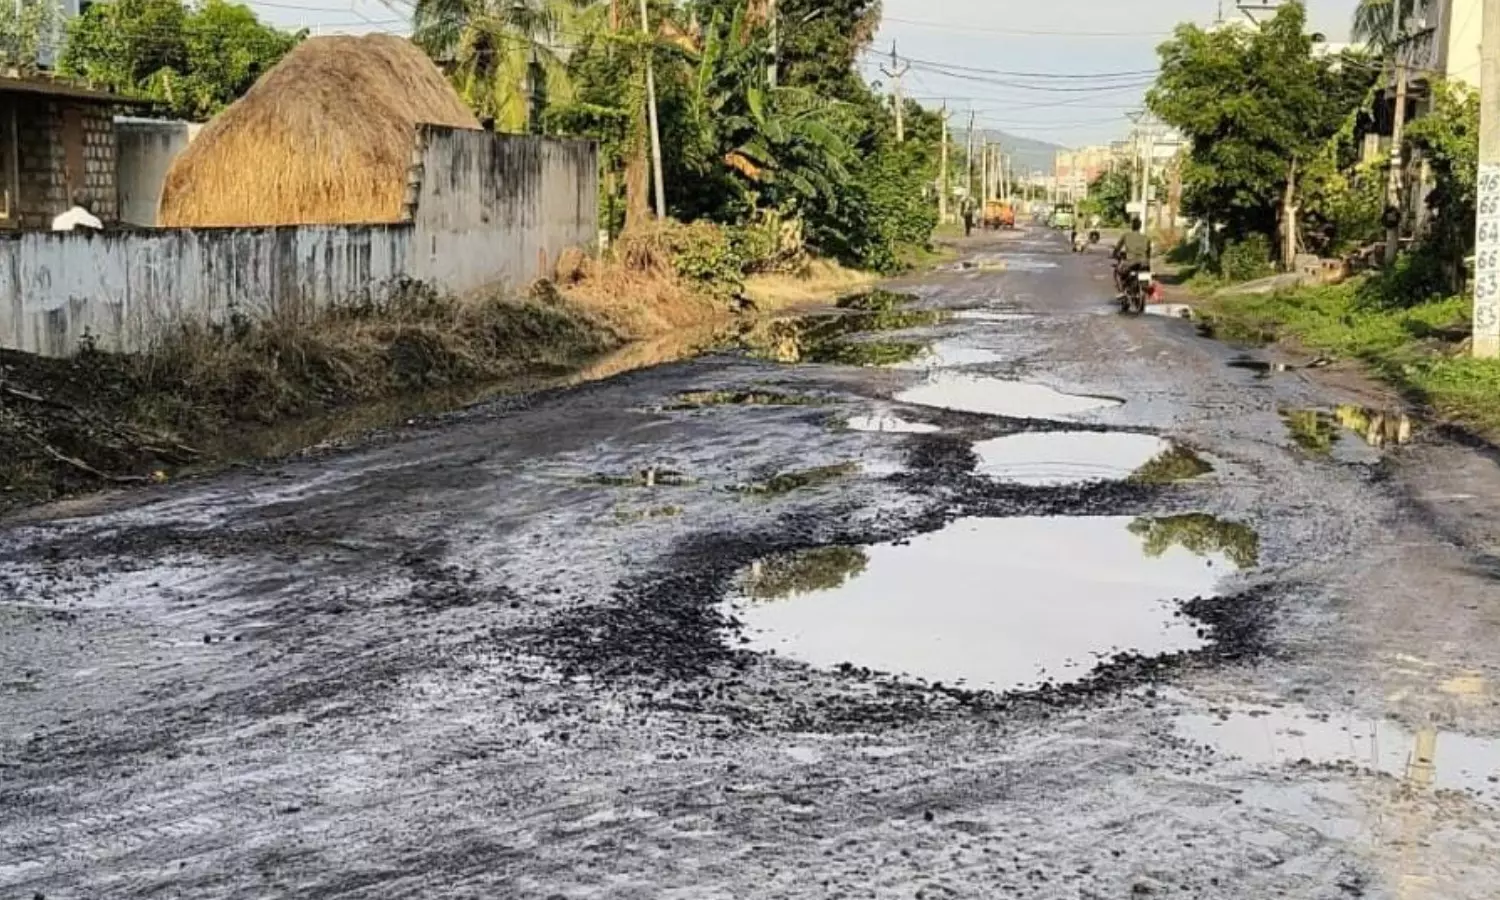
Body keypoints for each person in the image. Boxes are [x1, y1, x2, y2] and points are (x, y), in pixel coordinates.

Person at [1112, 217, 1151, 294]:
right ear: (1140, 226)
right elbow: (1148, 252)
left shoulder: (1126, 235)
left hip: (1130, 262)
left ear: (1132, 226)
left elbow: (1118, 247)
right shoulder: (1146, 238)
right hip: (1144, 263)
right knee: (1146, 273)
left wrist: (1114, 254)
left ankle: (1122, 291)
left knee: (1119, 271)